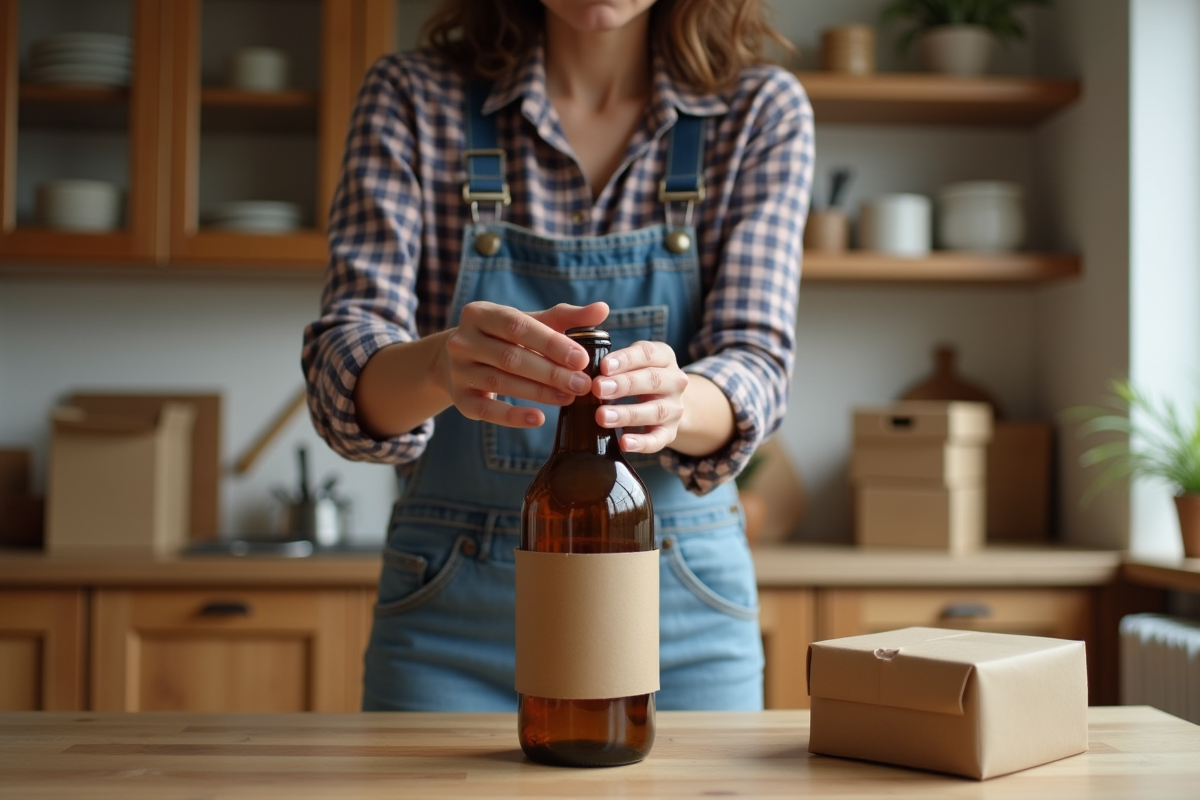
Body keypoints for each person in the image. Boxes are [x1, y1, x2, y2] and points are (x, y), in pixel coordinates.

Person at [302, 0, 813, 711]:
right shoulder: (413, 97)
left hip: (682, 611)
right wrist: (437, 365)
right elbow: (343, 367)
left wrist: (678, 400)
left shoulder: (759, 110)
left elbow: (754, 363)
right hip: (454, 613)